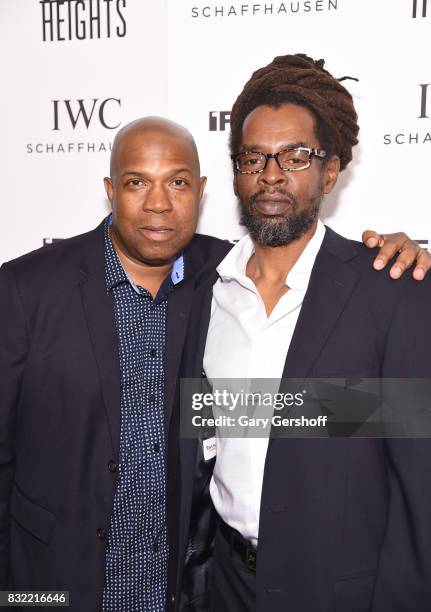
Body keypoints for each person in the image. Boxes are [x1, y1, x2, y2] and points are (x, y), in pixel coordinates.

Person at [0, 115, 427, 611]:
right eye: (138, 182)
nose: (158, 203)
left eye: (177, 183)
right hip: (58, 581)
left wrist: (400, 255)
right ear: (110, 189)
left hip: (181, 585)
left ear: (201, 191)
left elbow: (305, 414)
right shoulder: (26, 290)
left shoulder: (219, 276)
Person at [172, 54, 431, 612]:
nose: (272, 174)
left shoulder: (390, 288)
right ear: (237, 169)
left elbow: (421, 490)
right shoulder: (201, 292)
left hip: (343, 592)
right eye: (255, 157)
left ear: (330, 171)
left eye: (296, 156)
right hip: (226, 587)